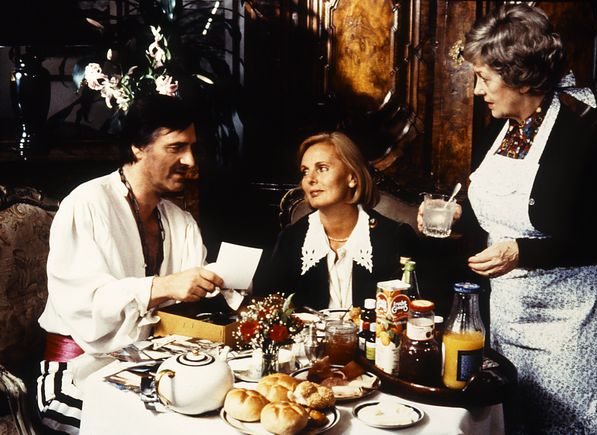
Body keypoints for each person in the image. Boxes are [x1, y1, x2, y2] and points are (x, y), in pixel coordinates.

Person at [418, 4, 597, 433]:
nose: (477, 91)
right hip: (508, 313)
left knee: (568, 421)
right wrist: (458, 216)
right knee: (516, 419)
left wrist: (523, 252)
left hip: (568, 322)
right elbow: (499, 210)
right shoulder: (501, 129)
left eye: (484, 78)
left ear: (519, 75)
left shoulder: (582, 131)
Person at [36, 95, 233, 434]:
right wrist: (163, 286)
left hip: (148, 371)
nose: (190, 160)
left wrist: (219, 285)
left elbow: (188, 307)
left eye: (192, 148)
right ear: (139, 147)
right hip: (76, 374)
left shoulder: (180, 221)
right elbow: (83, 303)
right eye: (176, 147)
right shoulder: (87, 204)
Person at [260, 131, 417, 310]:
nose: (310, 179)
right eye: (305, 171)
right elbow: (269, 307)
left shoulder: (395, 237)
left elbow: (416, 309)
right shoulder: (291, 239)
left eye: (322, 168)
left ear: (352, 178)